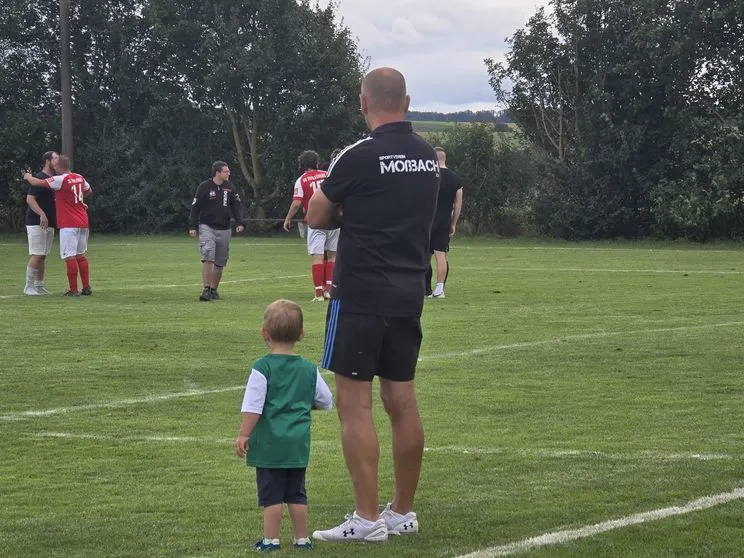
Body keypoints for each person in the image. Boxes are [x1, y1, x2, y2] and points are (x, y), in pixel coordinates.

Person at [306, 67, 440, 543]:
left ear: (363, 103)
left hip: (361, 293)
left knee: (354, 404)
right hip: (408, 292)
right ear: (407, 101)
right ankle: (402, 511)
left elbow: (316, 214)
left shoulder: (357, 155)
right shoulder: (428, 157)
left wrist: (348, 211)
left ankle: (366, 519)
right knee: (402, 400)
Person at [234, 299, 333, 552]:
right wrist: (301, 404)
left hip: (270, 444)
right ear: (301, 334)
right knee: (297, 493)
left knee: (272, 496)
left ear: (264, 333)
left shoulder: (262, 368)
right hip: (297, 444)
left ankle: (271, 539)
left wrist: (244, 433)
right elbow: (326, 401)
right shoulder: (309, 369)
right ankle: (302, 538)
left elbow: (253, 406)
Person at [23, 155, 93, 297]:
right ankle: (86, 287)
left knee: (69, 256)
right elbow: (88, 191)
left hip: (69, 223)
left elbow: (37, 182)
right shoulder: (79, 177)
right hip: (83, 222)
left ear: (59, 167)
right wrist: (77, 200)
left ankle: (73, 290)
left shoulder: (60, 179)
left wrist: (28, 176)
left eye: (56, 165)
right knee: (80, 255)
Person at [282, 151, 339, 302]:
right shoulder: (327, 175)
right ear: (317, 163)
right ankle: (329, 290)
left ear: (302, 165)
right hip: (334, 220)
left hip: (316, 221)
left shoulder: (302, 180)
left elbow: (297, 203)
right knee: (332, 256)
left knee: (317, 257)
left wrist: (288, 218)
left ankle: (319, 294)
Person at [188, 161, 245, 301]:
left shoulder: (230, 187)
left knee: (220, 260)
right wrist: (193, 226)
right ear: (217, 173)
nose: (229, 173)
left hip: (224, 228)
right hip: (207, 227)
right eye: (226, 171)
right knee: (208, 254)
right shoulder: (204, 187)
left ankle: (214, 290)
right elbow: (195, 207)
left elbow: (236, 205)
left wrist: (239, 222)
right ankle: (206, 289)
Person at [425, 147, 463, 298]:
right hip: (444, 220)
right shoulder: (456, 179)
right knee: (441, 254)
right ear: (444, 158)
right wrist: (453, 223)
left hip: (428, 220)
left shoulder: (428, 176)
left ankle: (425, 288)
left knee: (425, 255)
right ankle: (439, 289)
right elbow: (458, 204)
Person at [23, 151, 58, 295]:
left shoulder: (54, 179)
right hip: (36, 221)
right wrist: (41, 214)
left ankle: (39, 286)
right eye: (55, 158)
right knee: (37, 254)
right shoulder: (40, 177)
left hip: (49, 222)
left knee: (43, 255)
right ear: (48, 161)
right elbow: (30, 199)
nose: (58, 161)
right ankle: (28, 287)